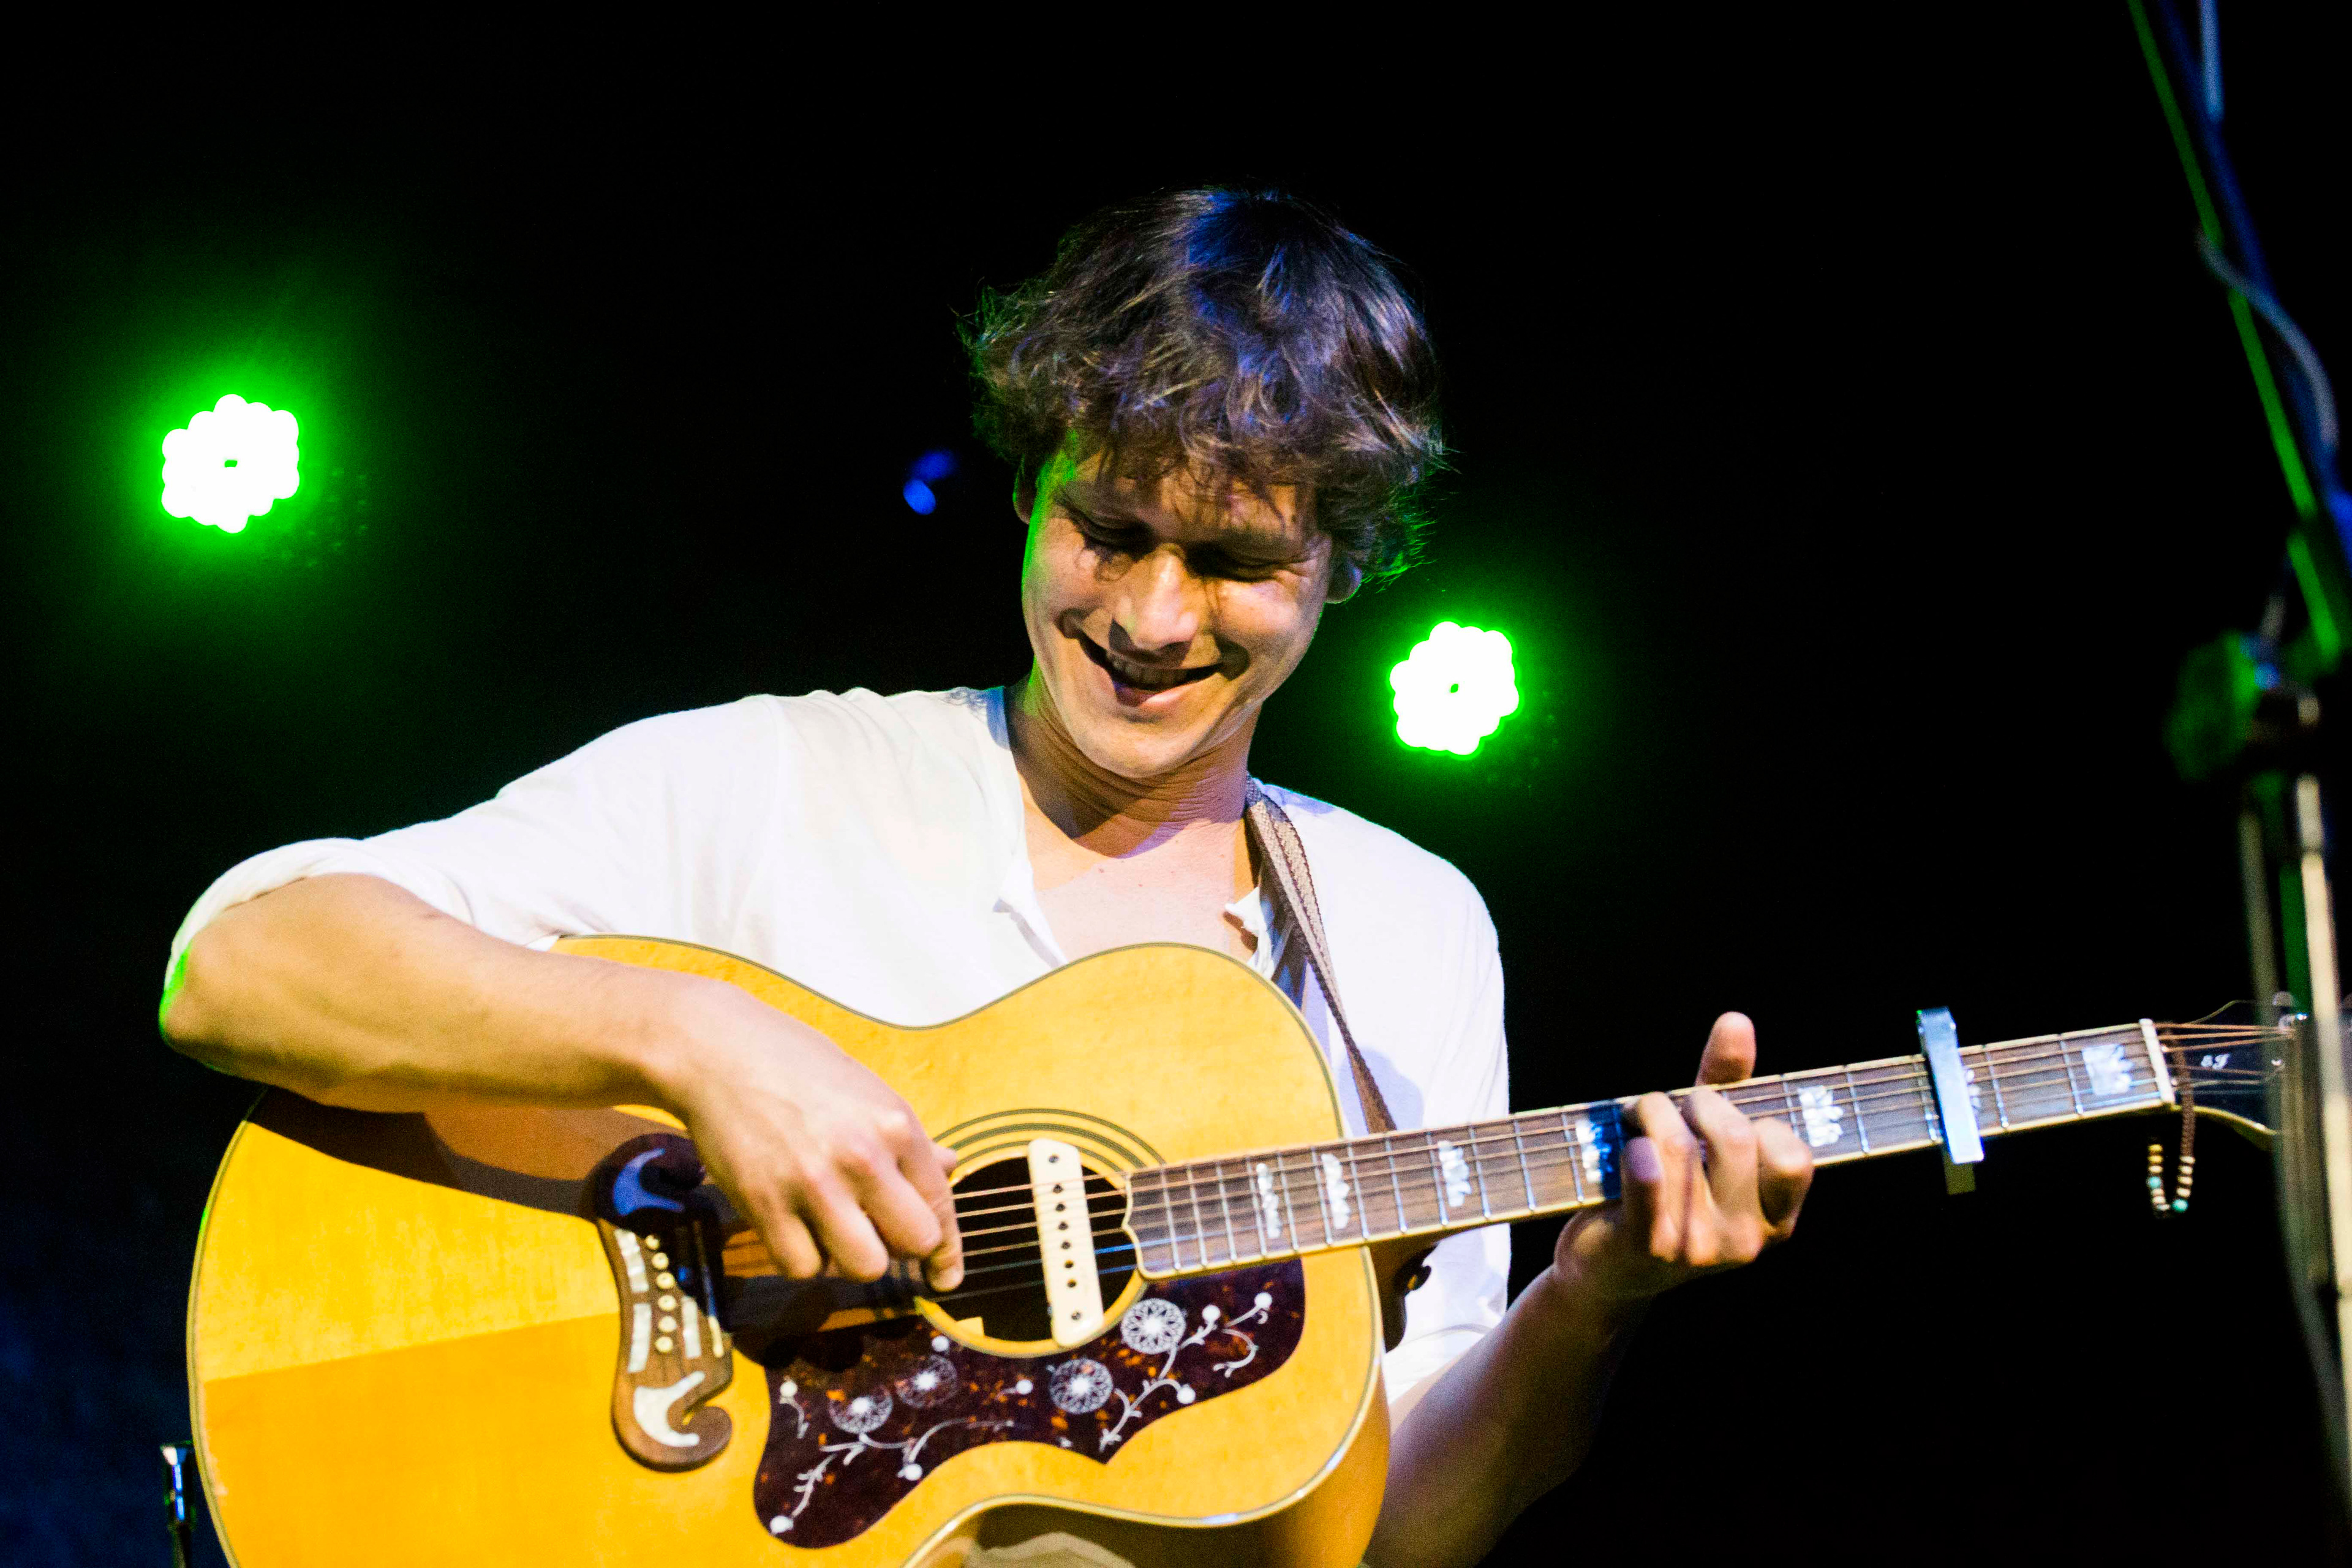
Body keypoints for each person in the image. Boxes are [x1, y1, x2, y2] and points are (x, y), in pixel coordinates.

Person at [161, 188, 1814, 1568]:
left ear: (1344, 565)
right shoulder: (778, 779)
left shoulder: (1410, 929)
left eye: (1234, 562)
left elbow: (1388, 1536)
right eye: (1110, 529)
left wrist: (1592, 1303)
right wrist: (691, 1043)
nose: (1152, 617)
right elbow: (237, 965)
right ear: (1028, 483)